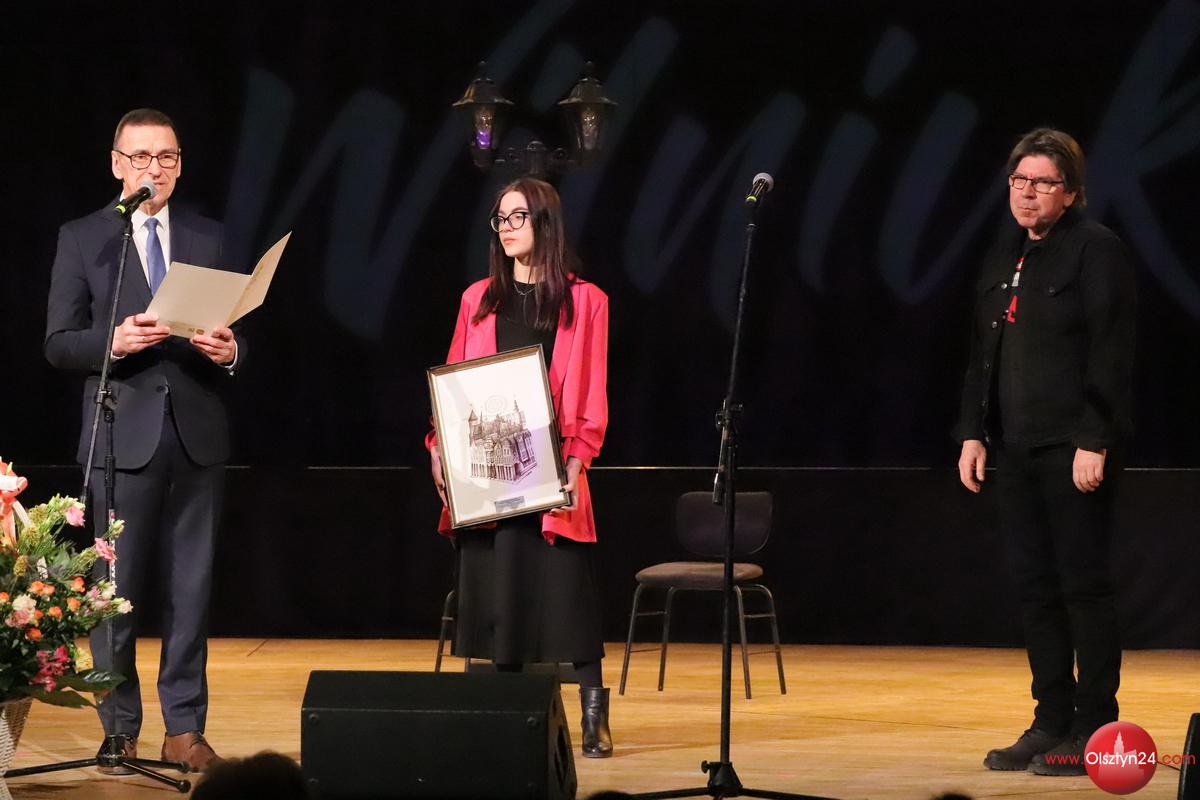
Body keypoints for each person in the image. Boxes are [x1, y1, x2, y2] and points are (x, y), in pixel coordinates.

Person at [44, 108, 243, 773]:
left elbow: (243, 330)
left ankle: (184, 728)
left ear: (180, 165)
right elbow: (58, 341)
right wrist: (115, 341)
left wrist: (231, 350)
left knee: (191, 592)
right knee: (116, 593)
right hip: (119, 434)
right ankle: (119, 726)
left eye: (166, 157)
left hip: (196, 435)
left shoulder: (209, 235)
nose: (153, 169)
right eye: (139, 157)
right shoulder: (85, 238)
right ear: (116, 164)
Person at [955, 128, 1135, 776]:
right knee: (1036, 590)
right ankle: (1050, 720)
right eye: (1019, 180)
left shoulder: (1095, 250)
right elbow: (982, 352)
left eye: (1043, 182)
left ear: (1071, 192)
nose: (1027, 193)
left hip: (1072, 448)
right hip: (1015, 448)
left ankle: (1094, 727)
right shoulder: (1003, 254)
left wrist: (1095, 437)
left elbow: (1112, 349)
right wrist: (973, 432)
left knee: (1083, 588)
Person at [425, 176, 612, 757]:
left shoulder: (587, 301)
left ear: (545, 223)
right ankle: (503, 716)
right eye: (499, 219)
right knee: (497, 592)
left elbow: (591, 392)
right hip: (487, 475)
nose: (505, 229)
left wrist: (577, 461)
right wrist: (439, 446)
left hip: (552, 471)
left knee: (568, 596)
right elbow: (454, 383)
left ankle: (593, 714)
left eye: (517, 217)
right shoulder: (478, 299)